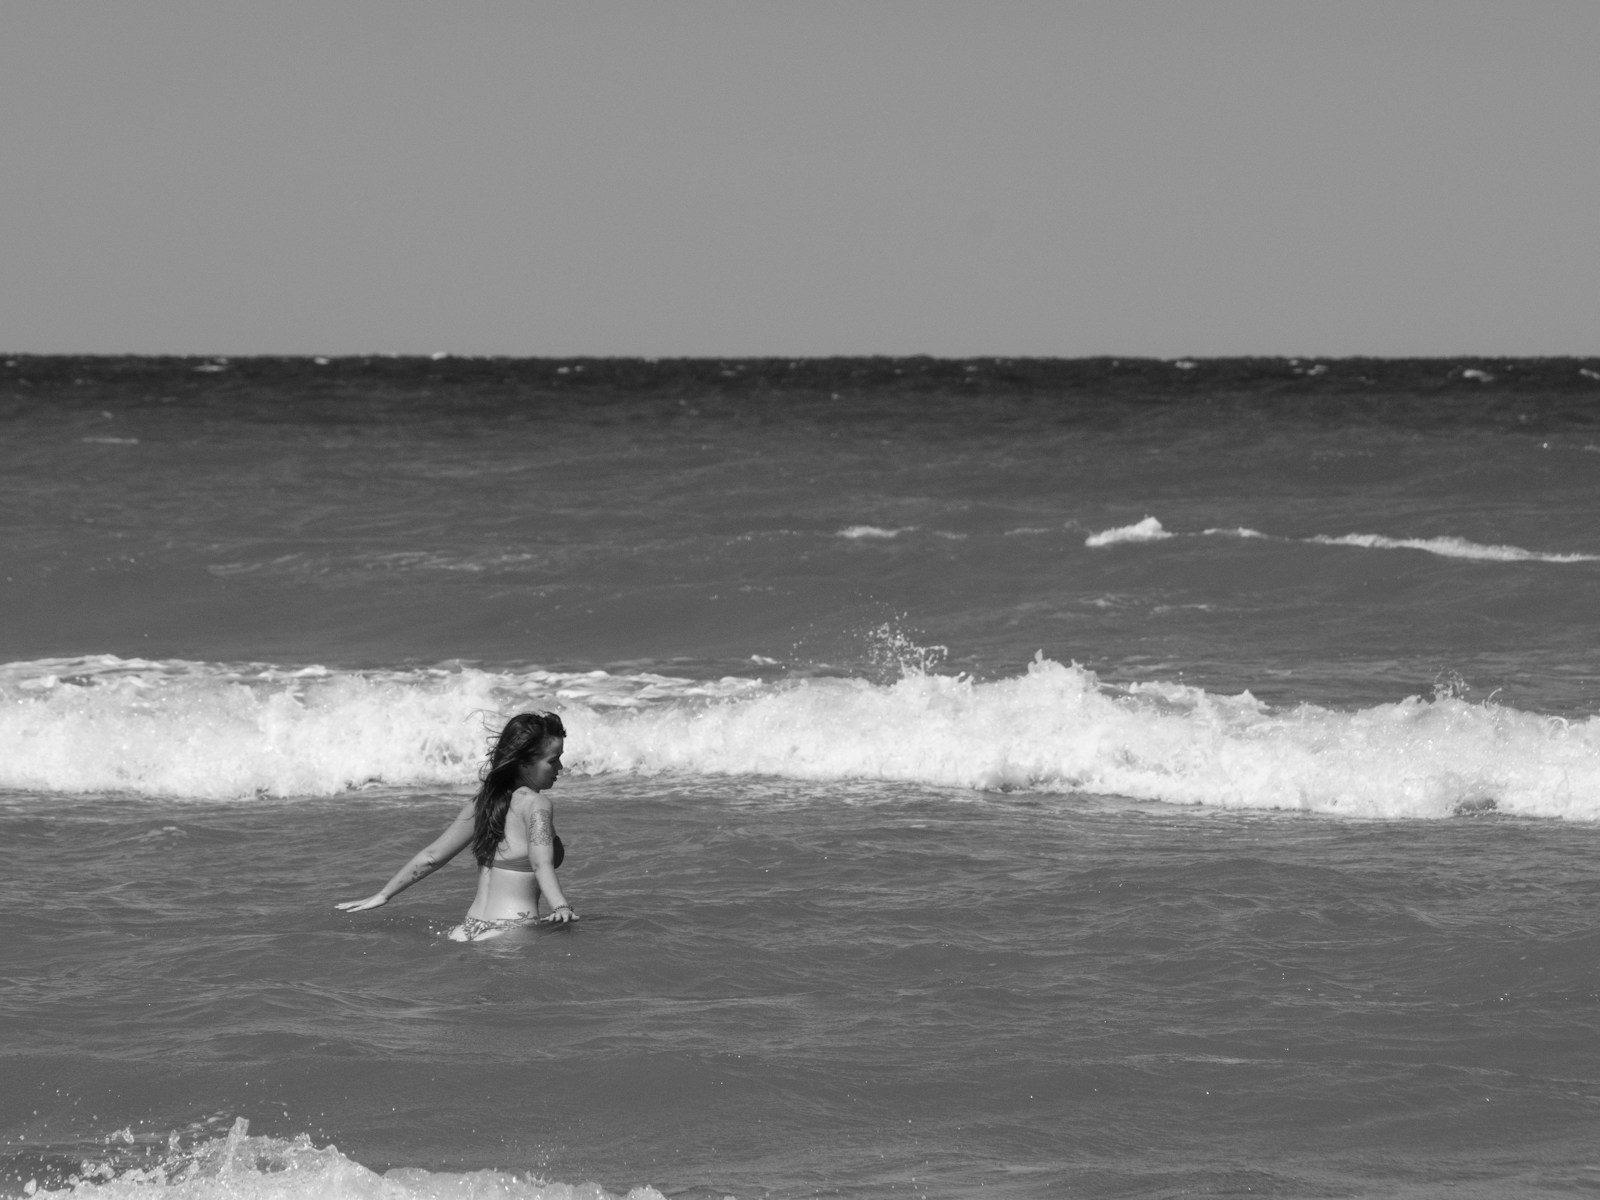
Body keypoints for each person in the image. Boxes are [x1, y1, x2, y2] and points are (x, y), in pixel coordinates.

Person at [336, 711, 577, 941]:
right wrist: (561, 906)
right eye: (553, 761)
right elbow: (540, 862)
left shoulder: (485, 803)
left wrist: (384, 894)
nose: (560, 768)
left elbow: (431, 856)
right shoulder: (537, 804)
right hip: (511, 931)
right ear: (524, 763)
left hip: (467, 930)